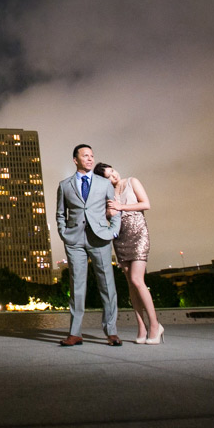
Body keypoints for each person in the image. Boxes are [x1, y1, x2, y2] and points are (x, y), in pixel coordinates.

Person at [56, 144, 122, 346]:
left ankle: (111, 332)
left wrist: (113, 231)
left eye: (92, 156)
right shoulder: (64, 185)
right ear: (75, 160)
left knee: (107, 286)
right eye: (85, 156)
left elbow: (115, 208)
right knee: (77, 286)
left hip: (100, 238)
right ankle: (75, 333)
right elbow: (60, 213)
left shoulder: (104, 184)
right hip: (74, 240)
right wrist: (63, 233)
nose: (90, 159)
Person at [93, 162, 164, 344]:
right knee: (130, 285)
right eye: (108, 176)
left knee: (137, 279)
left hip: (138, 232)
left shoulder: (132, 181)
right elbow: (106, 215)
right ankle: (141, 326)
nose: (114, 176)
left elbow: (145, 204)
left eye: (113, 171)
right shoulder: (108, 194)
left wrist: (121, 207)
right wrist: (109, 211)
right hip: (120, 237)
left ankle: (155, 325)